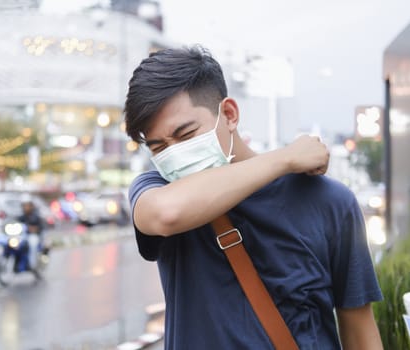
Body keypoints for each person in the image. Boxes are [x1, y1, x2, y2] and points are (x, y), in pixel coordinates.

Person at [124, 46, 383, 349]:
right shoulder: (158, 187)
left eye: (185, 135)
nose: (174, 155)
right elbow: (166, 214)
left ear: (229, 115)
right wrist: (285, 158)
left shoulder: (328, 201)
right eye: (158, 147)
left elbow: (359, 326)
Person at [18, 194, 43, 270]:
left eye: (27, 205)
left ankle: (33, 264)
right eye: (24, 205)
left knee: (33, 244)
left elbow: (40, 228)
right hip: (22, 237)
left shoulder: (36, 217)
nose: (26, 207)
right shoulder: (20, 217)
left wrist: (33, 229)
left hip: (32, 236)